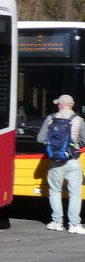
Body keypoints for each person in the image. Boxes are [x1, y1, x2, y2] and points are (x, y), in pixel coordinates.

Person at [36, 94, 85, 233]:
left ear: (60, 105)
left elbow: (40, 138)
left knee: (55, 191)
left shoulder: (50, 119)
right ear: (72, 105)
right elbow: (84, 140)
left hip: (54, 162)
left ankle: (57, 222)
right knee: (75, 193)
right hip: (72, 161)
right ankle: (74, 225)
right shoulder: (78, 120)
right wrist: (73, 145)